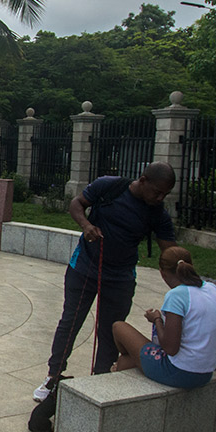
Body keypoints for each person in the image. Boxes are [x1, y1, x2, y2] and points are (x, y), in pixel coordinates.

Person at [33, 162, 178, 401]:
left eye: (165, 194)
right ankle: (53, 377)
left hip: (120, 278)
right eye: (157, 191)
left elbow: (170, 251)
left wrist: (184, 275)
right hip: (83, 268)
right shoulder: (110, 187)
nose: (160, 197)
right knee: (71, 321)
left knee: (111, 331)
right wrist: (86, 225)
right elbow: (77, 203)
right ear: (143, 181)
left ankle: (98, 382)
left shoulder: (157, 213)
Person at [111, 247, 216, 388]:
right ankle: (130, 359)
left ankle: (128, 358)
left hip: (179, 372)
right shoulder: (213, 289)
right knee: (126, 363)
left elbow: (170, 348)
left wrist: (157, 319)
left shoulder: (176, 296)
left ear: (162, 273)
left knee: (119, 327)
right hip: (205, 373)